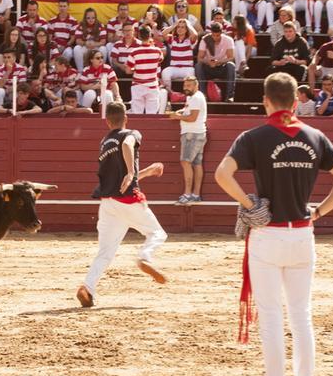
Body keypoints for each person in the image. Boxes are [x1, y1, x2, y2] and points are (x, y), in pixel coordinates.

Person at [213, 71, 333, 376]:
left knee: (272, 319)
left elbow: (221, 174)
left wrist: (249, 206)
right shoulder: (315, 136)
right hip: (302, 234)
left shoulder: (254, 137)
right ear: (297, 101)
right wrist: (321, 210)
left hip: (268, 235)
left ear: (266, 101)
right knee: (302, 317)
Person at [75, 101, 167, 308]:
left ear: (107, 122)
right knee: (157, 234)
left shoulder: (104, 142)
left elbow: (122, 177)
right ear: (126, 119)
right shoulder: (131, 133)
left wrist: (147, 172)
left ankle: (87, 288)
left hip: (108, 204)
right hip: (129, 200)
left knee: (105, 252)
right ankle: (145, 257)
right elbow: (127, 146)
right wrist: (133, 172)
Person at [164, 76, 207, 204]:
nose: (186, 88)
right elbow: (190, 111)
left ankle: (188, 194)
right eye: (185, 85)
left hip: (192, 134)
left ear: (196, 85)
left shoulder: (196, 98)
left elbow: (192, 117)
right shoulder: (194, 97)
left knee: (185, 162)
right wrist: (180, 112)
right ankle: (196, 194)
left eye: (189, 85)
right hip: (198, 133)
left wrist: (176, 116)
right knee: (197, 164)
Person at [195, 22, 237, 102]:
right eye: (213, 35)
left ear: (221, 33)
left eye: (217, 35)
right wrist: (208, 62)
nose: (215, 38)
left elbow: (231, 57)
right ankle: (203, 95)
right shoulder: (205, 39)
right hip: (208, 67)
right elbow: (199, 58)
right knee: (198, 66)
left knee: (231, 66)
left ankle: (230, 96)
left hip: (222, 67)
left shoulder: (228, 40)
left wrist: (219, 62)